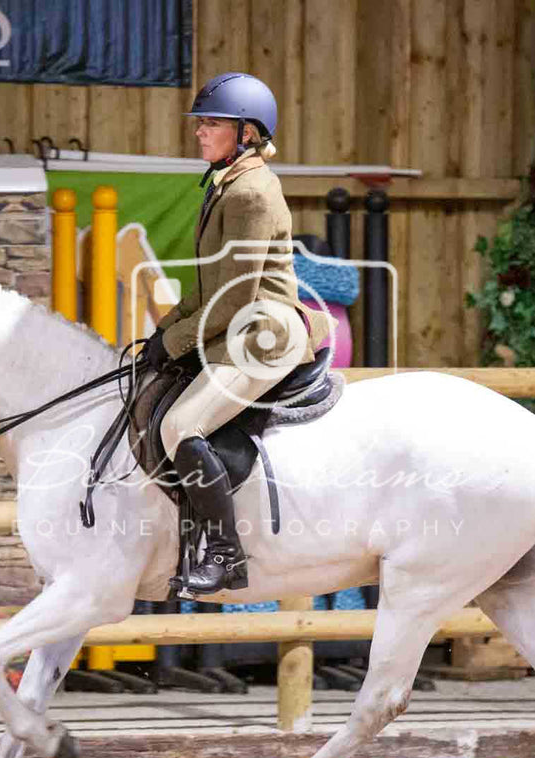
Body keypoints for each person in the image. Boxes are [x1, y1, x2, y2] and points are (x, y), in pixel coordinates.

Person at [140, 71, 332, 595]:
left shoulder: (249, 193)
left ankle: (227, 555)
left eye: (212, 123)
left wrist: (177, 342)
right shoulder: (226, 183)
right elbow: (210, 287)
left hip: (262, 334)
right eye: (200, 122)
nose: (200, 131)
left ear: (246, 133)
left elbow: (235, 297)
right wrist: (161, 332)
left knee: (181, 426)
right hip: (235, 325)